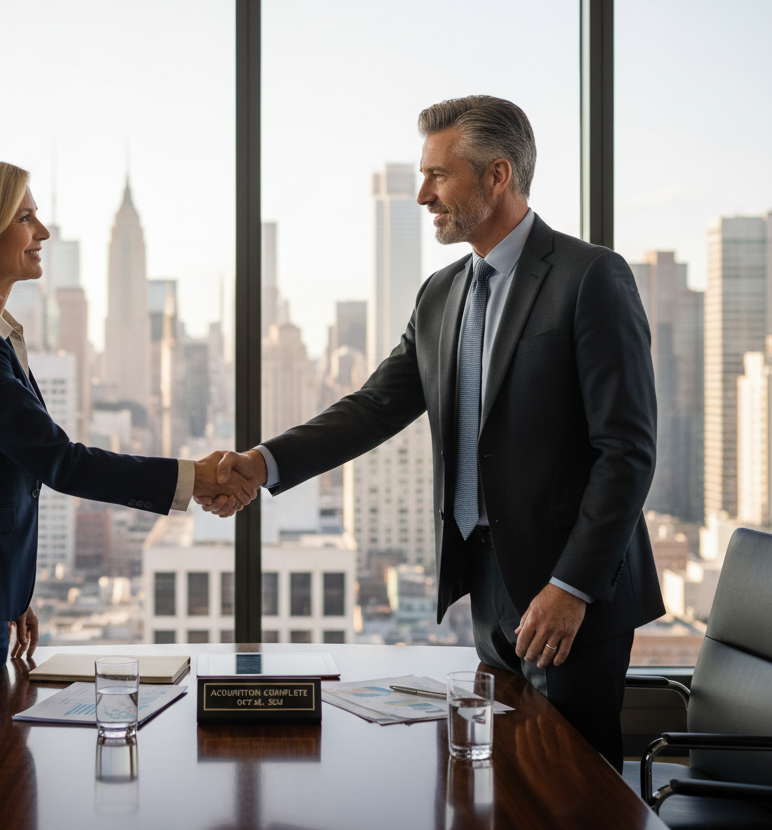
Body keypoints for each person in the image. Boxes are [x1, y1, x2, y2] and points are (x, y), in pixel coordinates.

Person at [212, 95, 663, 768]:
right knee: (506, 771)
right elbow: (373, 407)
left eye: (438, 175)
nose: (424, 194)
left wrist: (572, 588)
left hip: (574, 590)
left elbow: (626, 451)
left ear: (498, 176)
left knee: (574, 785)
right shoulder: (441, 293)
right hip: (488, 577)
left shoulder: (590, 277)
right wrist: (263, 462)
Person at [0, 159, 253, 768]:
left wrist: (10, 590)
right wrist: (197, 477)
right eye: (25, 217)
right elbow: (59, 462)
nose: (43, 232)